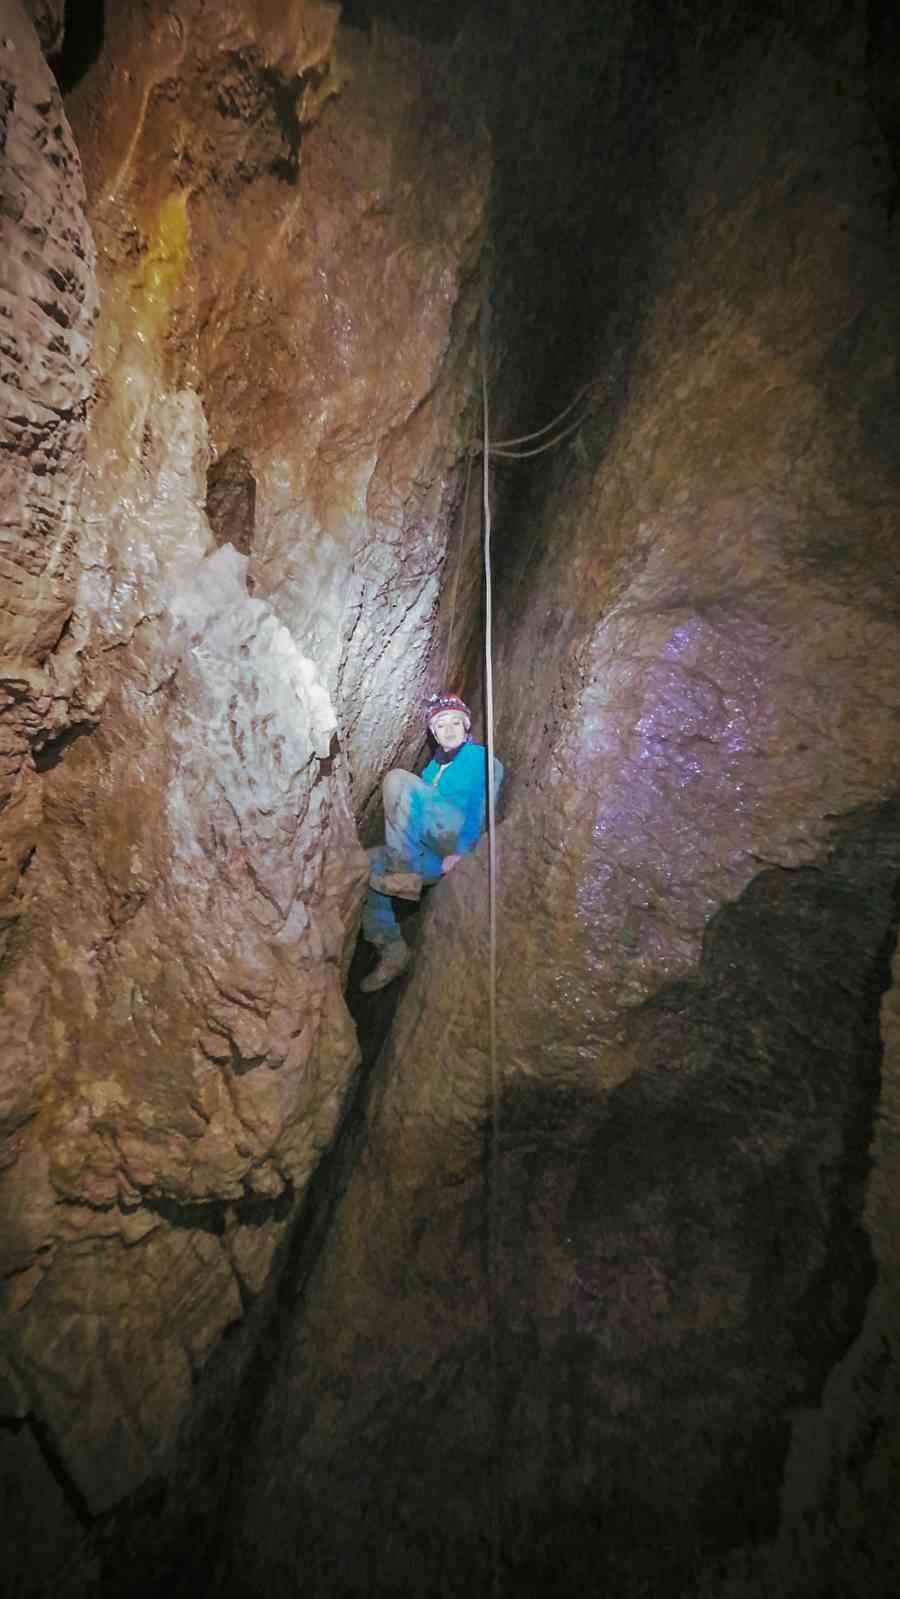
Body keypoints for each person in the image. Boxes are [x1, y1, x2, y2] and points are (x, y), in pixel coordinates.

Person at [359, 693, 504, 992]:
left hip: (456, 837)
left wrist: (463, 851)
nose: (449, 730)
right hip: (430, 856)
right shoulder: (432, 769)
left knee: (398, 781)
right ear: (434, 734)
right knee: (364, 865)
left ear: (466, 726)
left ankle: (402, 873)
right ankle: (393, 951)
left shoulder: (481, 759)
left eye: (455, 723)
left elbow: (482, 808)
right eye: (441, 725)